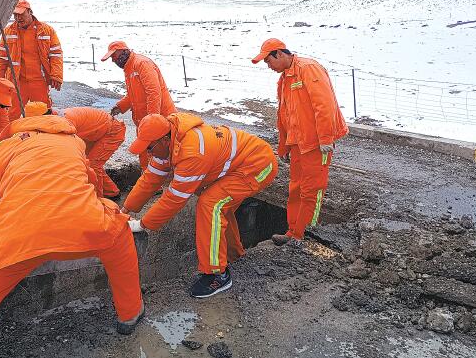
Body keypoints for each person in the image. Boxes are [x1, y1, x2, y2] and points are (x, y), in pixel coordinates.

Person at [0, 114, 144, 357]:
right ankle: (130, 313)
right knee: (120, 233)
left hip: (15, 235)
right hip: (81, 224)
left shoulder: (8, 145)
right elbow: (91, 182)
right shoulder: (73, 142)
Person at [121, 112, 278, 298]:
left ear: (164, 140)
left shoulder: (192, 152)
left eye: (150, 148)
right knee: (219, 207)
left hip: (258, 165)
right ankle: (233, 255)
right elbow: (150, 179)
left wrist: (142, 224)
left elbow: (174, 198)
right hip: (239, 165)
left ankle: (217, 275)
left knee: (211, 204)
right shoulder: (168, 142)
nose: (148, 153)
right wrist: (125, 209)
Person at [251, 38, 348, 245]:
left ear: (279, 54)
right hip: (298, 143)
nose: (268, 67)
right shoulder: (285, 78)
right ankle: (293, 231)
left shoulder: (308, 69)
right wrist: (283, 145)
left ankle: (307, 233)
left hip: (315, 143)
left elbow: (325, 106)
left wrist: (325, 138)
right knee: (296, 188)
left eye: (268, 61)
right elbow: (284, 115)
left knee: (312, 188)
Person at [3, 102, 126, 199]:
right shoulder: (55, 118)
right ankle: (110, 192)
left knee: (93, 165)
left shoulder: (65, 122)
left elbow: (66, 151)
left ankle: (99, 198)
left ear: (45, 116)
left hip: (112, 132)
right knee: (88, 163)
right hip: (96, 133)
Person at [101, 41, 176, 170]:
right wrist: (120, 106)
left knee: (163, 152)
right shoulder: (129, 68)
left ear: (123, 50)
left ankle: (160, 184)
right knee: (146, 152)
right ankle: (147, 180)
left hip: (161, 118)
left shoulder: (142, 64)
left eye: (114, 55)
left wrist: (152, 120)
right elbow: (133, 95)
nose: (113, 60)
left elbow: (154, 92)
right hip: (145, 121)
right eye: (111, 58)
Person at [0, 0, 62, 120]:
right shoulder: (8, 31)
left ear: (30, 11)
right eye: (15, 15)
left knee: (43, 116)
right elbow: (1, 60)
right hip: (17, 82)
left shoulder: (47, 30)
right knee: (8, 117)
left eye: (21, 14)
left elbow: (56, 54)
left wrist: (56, 75)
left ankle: (41, 139)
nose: (18, 18)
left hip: (39, 82)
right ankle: (4, 139)